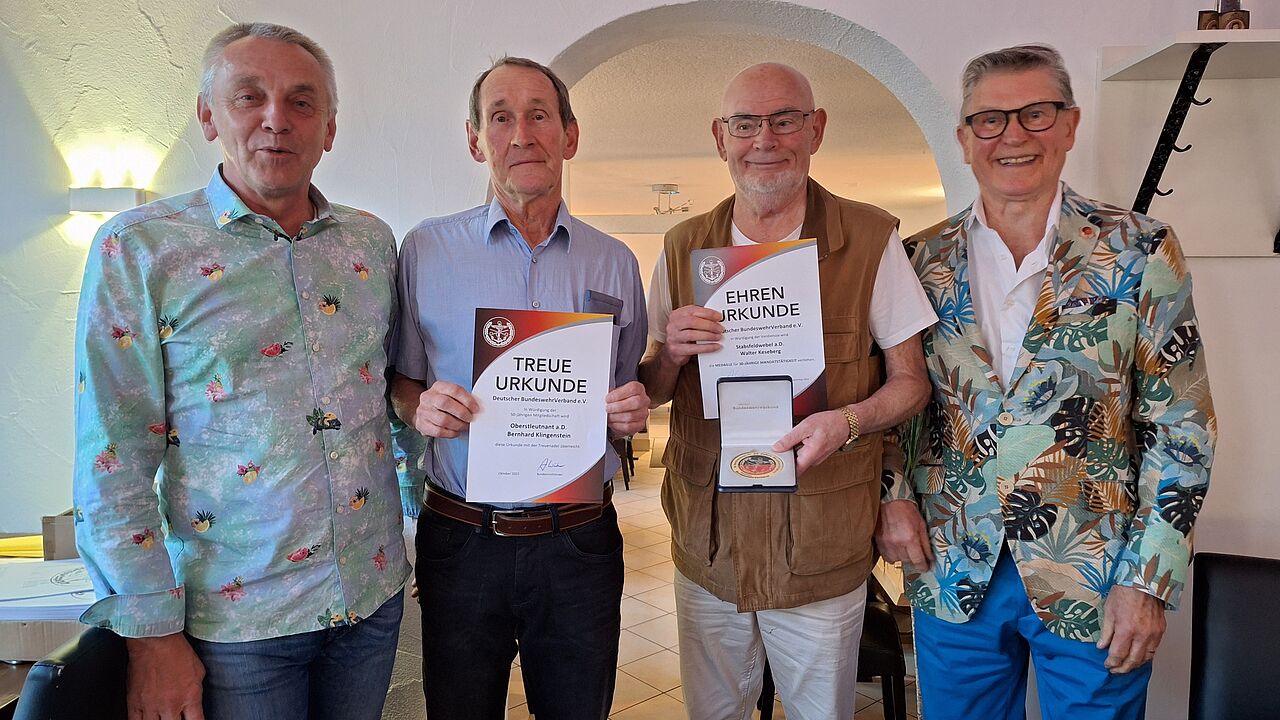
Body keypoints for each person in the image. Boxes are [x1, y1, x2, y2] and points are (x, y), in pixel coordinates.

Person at [72, 22, 409, 720]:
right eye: (249, 96)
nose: (276, 120)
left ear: (330, 128)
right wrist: (150, 636)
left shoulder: (371, 244)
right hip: (237, 627)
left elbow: (389, 398)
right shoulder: (139, 250)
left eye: (301, 102)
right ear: (208, 116)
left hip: (371, 599)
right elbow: (113, 456)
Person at [877, 44, 1216, 720]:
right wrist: (890, 497)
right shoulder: (913, 259)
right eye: (990, 120)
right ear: (965, 139)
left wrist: (1149, 581)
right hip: (951, 565)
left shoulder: (1139, 250)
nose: (1013, 136)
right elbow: (894, 401)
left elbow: (1182, 428)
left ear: (1068, 125)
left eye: (1034, 114)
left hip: (1095, 570)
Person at [638, 62, 935, 720]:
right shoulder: (683, 245)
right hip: (709, 545)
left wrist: (849, 423)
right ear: (721, 137)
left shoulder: (871, 240)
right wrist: (671, 356)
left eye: (784, 120)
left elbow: (912, 383)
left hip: (820, 546)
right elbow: (653, 388)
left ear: (816, 129)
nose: (764, 138)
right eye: (746, 123)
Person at [389, 56, 649, 720]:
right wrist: (423, 408)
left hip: (579, 542)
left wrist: (630, 407)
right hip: (463, 538)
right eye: (500, 117)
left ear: (570, 134)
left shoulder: (615, 260)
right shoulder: (426, 250)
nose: (522, 134)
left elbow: (625, 392)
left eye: (539, 115)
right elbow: (403, 384)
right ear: (476, 139)